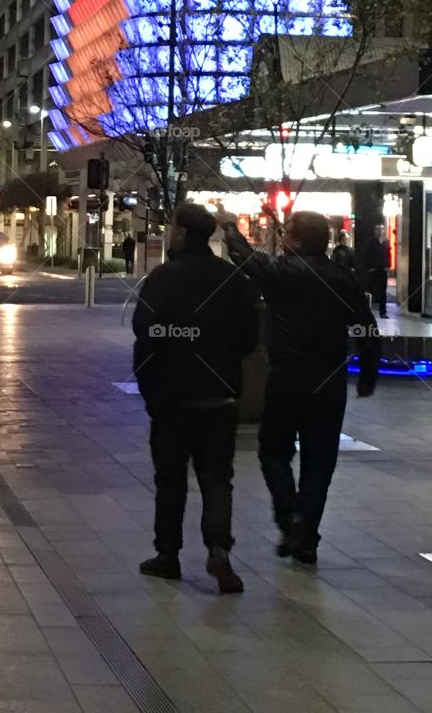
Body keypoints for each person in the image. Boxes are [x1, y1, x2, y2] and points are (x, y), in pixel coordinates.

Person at [218, 210, 380, 566]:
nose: (283, 239)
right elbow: (367, 329)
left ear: (299, 241)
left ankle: (290, 516)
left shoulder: (280, 273)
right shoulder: (343, 279)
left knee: (273, 452)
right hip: (328, 383)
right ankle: (306, 536)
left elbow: (244, 258)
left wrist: (229, 225)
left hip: (286, 379)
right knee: (319, 463)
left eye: (287, 234)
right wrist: (368, 375)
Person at [132, 203, 259, 593]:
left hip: (172, 397)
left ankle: (168, 554)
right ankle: (219, 549)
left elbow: (145, 332)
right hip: (218, 397)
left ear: (183, 232)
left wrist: (150, 388)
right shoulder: (232, 279)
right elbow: (249, 339)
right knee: (217, 479)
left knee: (170, 480)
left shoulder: (164, 278)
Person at [360, 222, 391, 318]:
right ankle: (366, 310)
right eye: (378, 229)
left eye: (382, 229)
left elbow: (388, 255)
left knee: (383, 291)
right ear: (374, 231)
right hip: (373, 269)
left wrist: (388, 266)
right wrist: (369, 267)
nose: (380, 231)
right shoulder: (370, 242)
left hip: (383, 270)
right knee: (370, 290)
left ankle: (383, 312)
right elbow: (366, 255)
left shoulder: (386, 242)